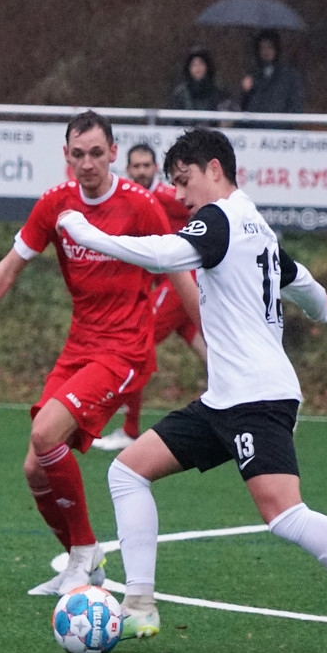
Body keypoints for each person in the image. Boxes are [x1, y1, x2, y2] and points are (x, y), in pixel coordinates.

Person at [57, 126, 327, 653]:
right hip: (226, 398)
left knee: (285, 515)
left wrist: (87, 232)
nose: (179, 194)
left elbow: (166, 256)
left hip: (259, 398)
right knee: (127, 471)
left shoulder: (221, 218)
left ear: (214, 169)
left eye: (184, 181)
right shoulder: (256, 226)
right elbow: (296, 277)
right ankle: (139, 604)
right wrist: (322, 308)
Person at [0, 111, 199, 597]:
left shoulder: (140, 206)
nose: (87, 163)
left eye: (96, 153)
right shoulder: (56, 203)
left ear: (113, 152)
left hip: (124, 350)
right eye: (78, 154)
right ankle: (82, 560)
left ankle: (85, 550)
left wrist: (220, 335)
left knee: (44, 433)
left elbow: (181, 273)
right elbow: (8, 268)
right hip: (79, 347)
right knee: (35, 467)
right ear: (66, 155)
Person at [91, 144, 207, 452]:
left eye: (146, 165)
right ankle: (262, 395)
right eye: (136, 166)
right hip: (168, 283)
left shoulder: (168, 197)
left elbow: (206, 213)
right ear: (127, 169)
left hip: (179, 281)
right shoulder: (130, 198)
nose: (141, 171)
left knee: (134, 345)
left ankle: (130, 430)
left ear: (156, 168)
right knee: (209, 348)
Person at [240, 29, 305, 115]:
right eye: (262, 48)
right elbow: (244, 106)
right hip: (256, 121)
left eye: (269, 47)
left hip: (280, 122)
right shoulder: (253, 74)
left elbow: (296, 104)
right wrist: (246, 91)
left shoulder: (290, 75)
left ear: (276, 49)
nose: (266, 52)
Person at [171, 47, 233, 112]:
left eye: (201, 64)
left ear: (207, 66)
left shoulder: (218, 93)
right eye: (194, 65)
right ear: (188, 68)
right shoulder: (180, 94)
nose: (198, 68)